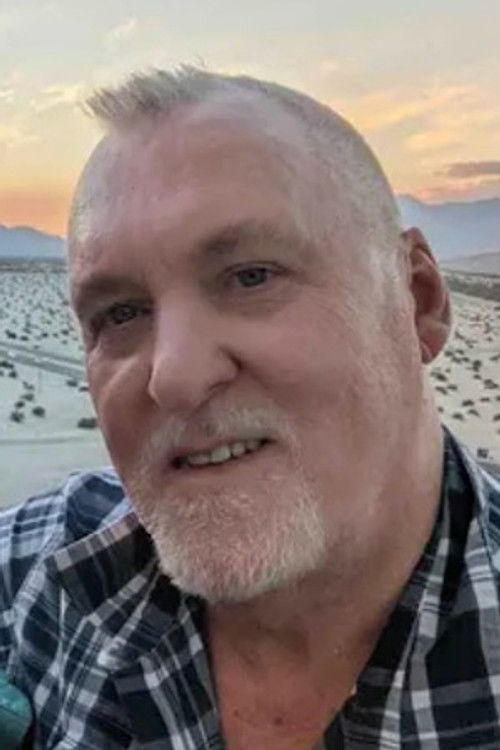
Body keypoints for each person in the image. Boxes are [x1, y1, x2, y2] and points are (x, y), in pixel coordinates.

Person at [1, 66, 499, 750]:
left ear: (419, 300)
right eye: (120, 313)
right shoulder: (38, 575)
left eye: (251, 276)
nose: (175, 377)